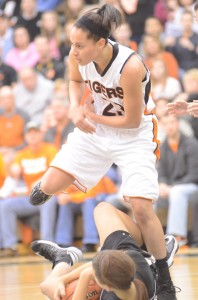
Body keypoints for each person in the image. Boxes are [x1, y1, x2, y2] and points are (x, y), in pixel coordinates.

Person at [29, 4, 177, 299]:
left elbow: (132, 120)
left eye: (80, 45)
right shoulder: (78, 56)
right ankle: (68, 250)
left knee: (141, 206)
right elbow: (74, 81)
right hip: (95, 130)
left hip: (134, 135)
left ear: (101, 43)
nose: (73, 50)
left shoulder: (130, 66)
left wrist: (92, 116)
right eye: (72, 43)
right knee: (40, 192)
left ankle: (163, 274)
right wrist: (74, 108)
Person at [31, 202, 179, 300]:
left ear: (106, 286)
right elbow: (98, 264)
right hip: (145, 268)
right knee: (103, 209)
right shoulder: (134, 262)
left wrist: (81, 277)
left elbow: (93, 267)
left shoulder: (110, 295)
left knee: (48, 286)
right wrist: (81, 275)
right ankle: (158, 252)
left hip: (133, 269)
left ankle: (63, 259)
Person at [0, 121, 58, 257]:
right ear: (25, 137)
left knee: (48, 201)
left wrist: (41, 182)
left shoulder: (50, 149)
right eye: (29, 133)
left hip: (48, 193)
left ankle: (47, 245)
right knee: (5, 206)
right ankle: (10, 246)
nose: (32, 136)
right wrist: (7, 164)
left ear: (41, 135)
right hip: (30, 197)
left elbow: (55, 170)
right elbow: (14, 174)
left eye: (35, 132)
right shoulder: (22, 154)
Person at [155, 113, 198, 247]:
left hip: (191, 187)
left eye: (172, 123)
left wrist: (172, 187)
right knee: (148, 195)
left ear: (178, 124)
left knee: (177, 192)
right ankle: (146, 239)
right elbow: (161, 173)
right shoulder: (162, 147)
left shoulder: (192, 144)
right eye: (166, 124)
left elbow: (194, 174)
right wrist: (162, 184)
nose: (170, 127)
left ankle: (177, 238)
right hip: (170, 188)